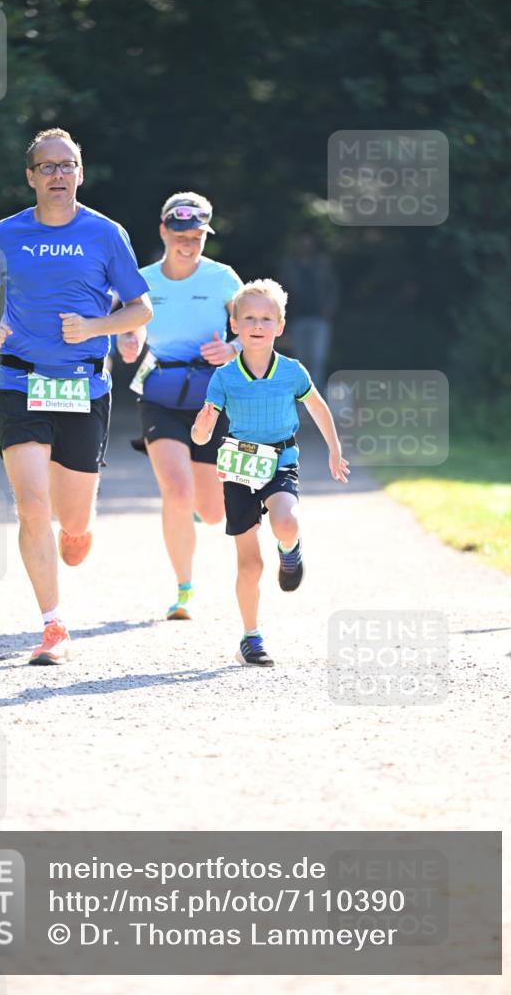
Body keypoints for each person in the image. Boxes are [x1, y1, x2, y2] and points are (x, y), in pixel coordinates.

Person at [0, 128, 151, 665]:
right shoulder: (6, 234)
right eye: (48, 167)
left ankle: (80, 530)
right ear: (31, 177)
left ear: (80, 174)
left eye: (68, 166)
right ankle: (52, 625)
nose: (59, 175)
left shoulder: (106, 233)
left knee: (74, 519)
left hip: (84, 384)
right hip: (21, 378)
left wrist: (93, 328)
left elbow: (139, 309)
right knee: (31, 504)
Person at [191, 278, 349, 667]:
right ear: (235, 325)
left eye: (266, 318)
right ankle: (251, 636)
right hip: (239, 468)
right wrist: (203, 423)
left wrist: (334, 450)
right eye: (249, 318)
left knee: (287, 522)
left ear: (280, 327)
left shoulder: (292, 371)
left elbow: (317, 407)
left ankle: (290, 551)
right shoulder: (225, 377)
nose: (257, 325)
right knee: (250, 564)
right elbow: (200, 434)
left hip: (279, 461)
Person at [123, 191, 242, 620]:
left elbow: (258, 327)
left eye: (197, 235)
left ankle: (191, 514)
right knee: (176, 489)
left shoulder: (223, 278)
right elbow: (123, 326)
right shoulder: (142, 280)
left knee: (211, 513)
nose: (188, 244)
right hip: (159, 392)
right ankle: (184, 589)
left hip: (211, 396)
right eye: (180, 235)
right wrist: (129, 339)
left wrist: (232, 349)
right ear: (163, 231)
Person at [278, 233, 339, 391]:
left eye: (308, 243)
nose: (305, 246)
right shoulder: (289, 264)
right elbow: (281, 291)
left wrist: (329, 309)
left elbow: (333, 287)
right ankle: (302, 395)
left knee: (317, 359)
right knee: (300, 359)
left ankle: (317, 394)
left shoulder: (321, 263)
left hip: (319, 318)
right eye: (302, 243)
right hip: (297, 318)